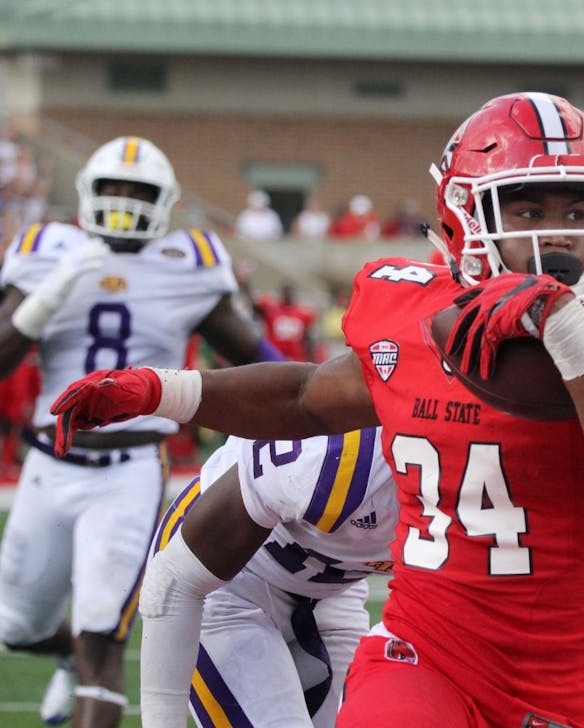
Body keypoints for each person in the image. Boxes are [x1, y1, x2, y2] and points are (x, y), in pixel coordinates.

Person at [51, 93, 584, 727]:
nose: (557, 236)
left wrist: (563, 325)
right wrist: (160, 390)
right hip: (428, 648)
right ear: (461, 217)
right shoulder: (408, 328)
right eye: (527, 212)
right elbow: (302, 397)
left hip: (578, 664)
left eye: (578, 212)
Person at [0, 135, 282, 728]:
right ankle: (69, 658)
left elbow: (263, 362)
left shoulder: (191, 260)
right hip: (47, 465)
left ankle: (88, 661)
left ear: (166, 200)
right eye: (112, 189)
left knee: (104, 633)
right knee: (16, 628)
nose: (125, 201)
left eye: (140, 191)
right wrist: (50, 293)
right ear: (87, 194)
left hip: (129, 470)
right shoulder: (47, 248)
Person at [139, 428, 396, 727]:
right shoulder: (332, 459)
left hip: (334, 591)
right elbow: (174, 580)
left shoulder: (458, 492)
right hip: (227, 579)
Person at [253, 281, 319, 362]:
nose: (287, 293)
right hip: (275, 357)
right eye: (285, 291)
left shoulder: (303, 313)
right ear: (280, 292)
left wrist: (311, 358)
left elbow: (307, 339)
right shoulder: (270, 308)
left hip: (296, 358)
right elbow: (254, 305)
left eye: (289, 291)